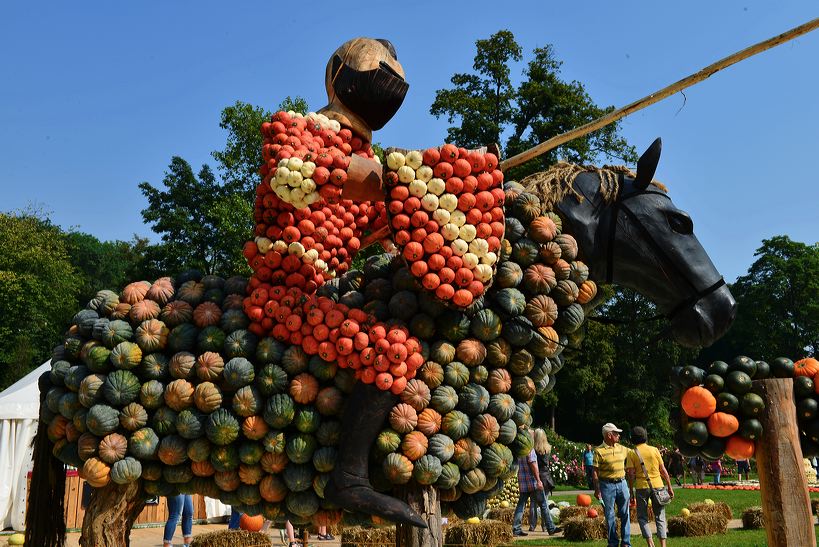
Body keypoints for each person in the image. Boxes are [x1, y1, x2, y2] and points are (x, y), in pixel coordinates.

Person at [626, 426, 674, 547]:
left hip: (642, 487)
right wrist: (669, 486)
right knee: (660, 516)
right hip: (658, 485)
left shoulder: (632, 453)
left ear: (633, 439)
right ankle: (663, 545)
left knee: (642, 517)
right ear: (645, 437)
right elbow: (663, 470)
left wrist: (631, 491)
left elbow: (631, 475)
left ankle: (650, 544)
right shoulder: (654, 450)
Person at [593, 422, 631, 547]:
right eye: (616, 433)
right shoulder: (598, 451)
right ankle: (613, 542)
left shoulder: (622, 448)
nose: (619, 436)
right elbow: (595, 472)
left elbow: (636, 453)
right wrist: (597, 489)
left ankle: (626, 543)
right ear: (609, 435)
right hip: (607, 486)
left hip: (622, 483)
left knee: (625, 513)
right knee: (610, 515)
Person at [529, 428, 561, 535]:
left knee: (534, 503)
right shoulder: (548, 448)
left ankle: (532, 526)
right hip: (546, 478)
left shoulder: (533, 450)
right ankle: (544, 526)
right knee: (544, 503)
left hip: (536, 477)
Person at [512, 428, 543, 537]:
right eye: (533, 436)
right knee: (542, 504)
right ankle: (549, 527)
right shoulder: (529, 449)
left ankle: (516, 528)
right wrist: (538, 480)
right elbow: (533, 464)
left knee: (521, 505)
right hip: (532, 481)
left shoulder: (519, 450)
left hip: (522, 481)